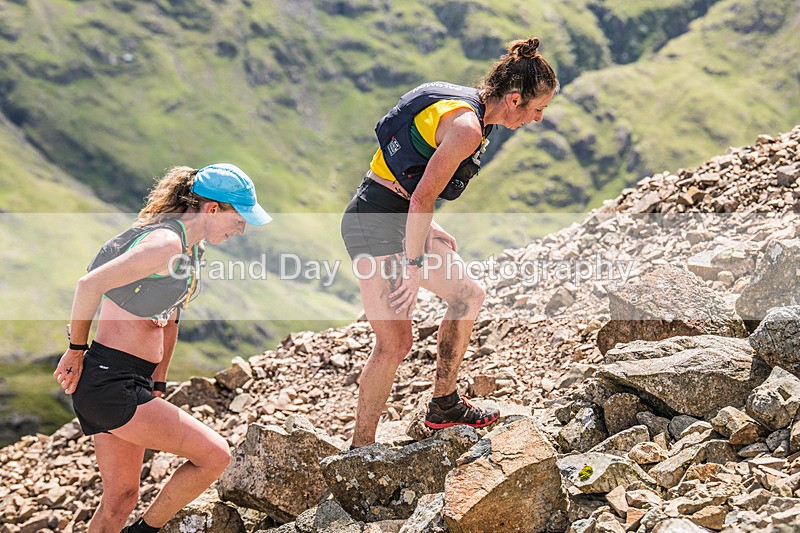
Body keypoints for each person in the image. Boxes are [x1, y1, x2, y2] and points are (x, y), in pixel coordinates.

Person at [340, 37, 559, 446]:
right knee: (395, 343)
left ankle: (445, 404)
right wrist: (414, 263)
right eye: (537, 109)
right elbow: (422, 195)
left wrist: (429, 231)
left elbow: (407, 176)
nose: (538, 119)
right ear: (514, 100)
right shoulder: (467, 129)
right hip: (373, 224)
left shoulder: (456, 99)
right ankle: (360, 448)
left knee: (469, 295)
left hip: (392, 212)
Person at [53, 164, 271, 532]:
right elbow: (88, 285)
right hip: (109, 381)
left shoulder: (191, 250)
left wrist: (158, 381)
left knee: (120, 500)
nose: (241, 230)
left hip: (130, 379)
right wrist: (75, 350)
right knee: (216, 456)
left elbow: (170, 319)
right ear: (213, 209)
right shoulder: (165, 243)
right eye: (239, 219)